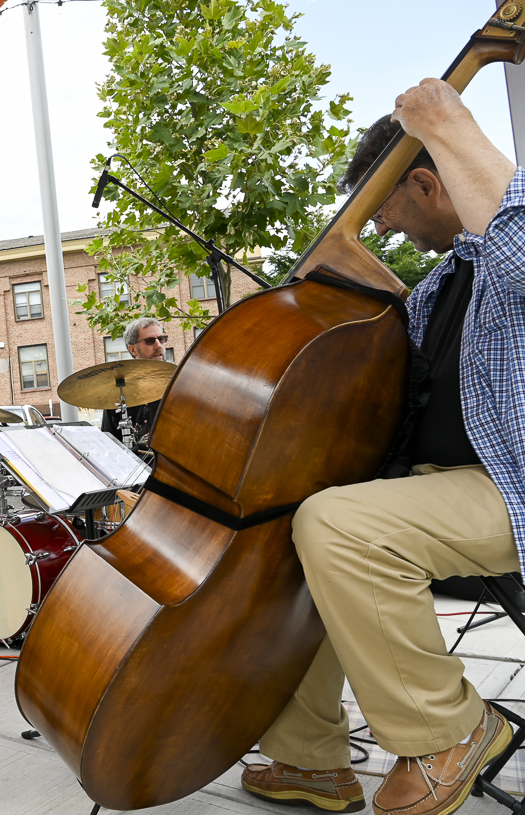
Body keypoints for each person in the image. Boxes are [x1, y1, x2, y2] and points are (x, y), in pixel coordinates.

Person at [240, 78, 525, 815]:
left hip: (512, 485)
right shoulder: (439, 285)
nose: (394, 240)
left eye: (391, 218)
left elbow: (519, 249)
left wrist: (445, 120)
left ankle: (448, 730)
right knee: (296, 524)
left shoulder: (505, 253)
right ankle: (309, 757)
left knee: (337, 525)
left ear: (427, 182)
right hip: (451, 482)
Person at [100, 316, 170, 443]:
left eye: (161, 339)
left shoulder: (179, 382)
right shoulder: (118, 389)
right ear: (133, 349)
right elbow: (108, 444)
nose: (158, 345)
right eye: (150, 341)